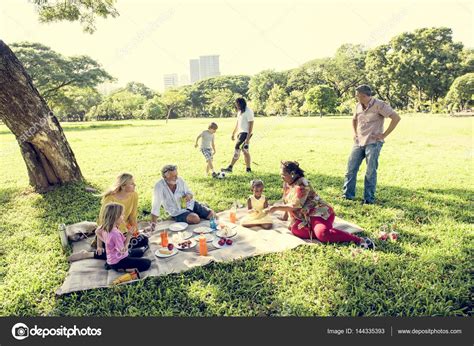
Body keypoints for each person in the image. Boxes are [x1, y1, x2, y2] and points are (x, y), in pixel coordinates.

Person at [265, 161, 374, 249]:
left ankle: (359, 240)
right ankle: (323, 231)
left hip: (318, 212)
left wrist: (275, 208)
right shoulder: (287, 183)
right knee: (295, 229)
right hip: (305, 216)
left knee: (323, 234)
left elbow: (295, 205)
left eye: (283, 175)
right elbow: (286, 200)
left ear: (292, 173)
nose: (281, 177)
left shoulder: (302, 183)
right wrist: (285, 217)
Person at [68, 173, 149, 262]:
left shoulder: (134, 195)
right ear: (123, 186)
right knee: (121, 250)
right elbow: (102, 222)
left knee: (144, 239)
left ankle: (123, 253)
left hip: (123, 233)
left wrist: (135, 231)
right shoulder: (110, 199)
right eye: (132, 183)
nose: (135, 185)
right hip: (110, 232)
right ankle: (89, 254)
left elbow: (132, 216)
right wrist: (99, 244)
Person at [342, 85, 401, 204]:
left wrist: (384, 135)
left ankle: (368, 199)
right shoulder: (358, 105)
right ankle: (347, 196)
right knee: (350, 169)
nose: (356, 97)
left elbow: (396, 118)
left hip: (373, 143)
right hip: (359, 142)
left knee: (370, 172)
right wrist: (355, 133)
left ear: (364, 95)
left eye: (357, 95)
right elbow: (354, 119)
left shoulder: (380, 105)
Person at [150, 164, 215, 231]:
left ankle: (201, 207)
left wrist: (188, 196)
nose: (176, 178)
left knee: (212, 215)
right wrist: (153, 224)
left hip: (189, 204)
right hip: (177, 212)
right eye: (173, 176)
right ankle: (197, 211)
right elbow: (155, 205)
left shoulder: (180, 180)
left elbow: (189, 193)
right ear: (165, 177)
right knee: (195, 219)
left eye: (176, 175)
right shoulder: (159, 186)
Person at [95, 203, 151, 272]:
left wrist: (102, 244)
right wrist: (129, 235)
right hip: (119, 261)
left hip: (113, 257)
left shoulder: (103, 226)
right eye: (122, 214)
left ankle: (110, 264)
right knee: (147, 263)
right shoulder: (115, 233)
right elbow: (122, 250)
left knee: (140, 252)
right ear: (115, 216)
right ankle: (122, 269)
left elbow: (97, 232)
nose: (124, 216)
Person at [222, 97, 254, 173]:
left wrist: (247, 138)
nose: (236, 106)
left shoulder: (248, 111)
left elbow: (251, 125)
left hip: (245, 133)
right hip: (240, 133)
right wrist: (234, 133)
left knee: (237, 148)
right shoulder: (240, 112)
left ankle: (230, 167)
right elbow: (238, 123)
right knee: (245, 151)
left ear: (241, 104)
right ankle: (248, 169)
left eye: (237, 104)